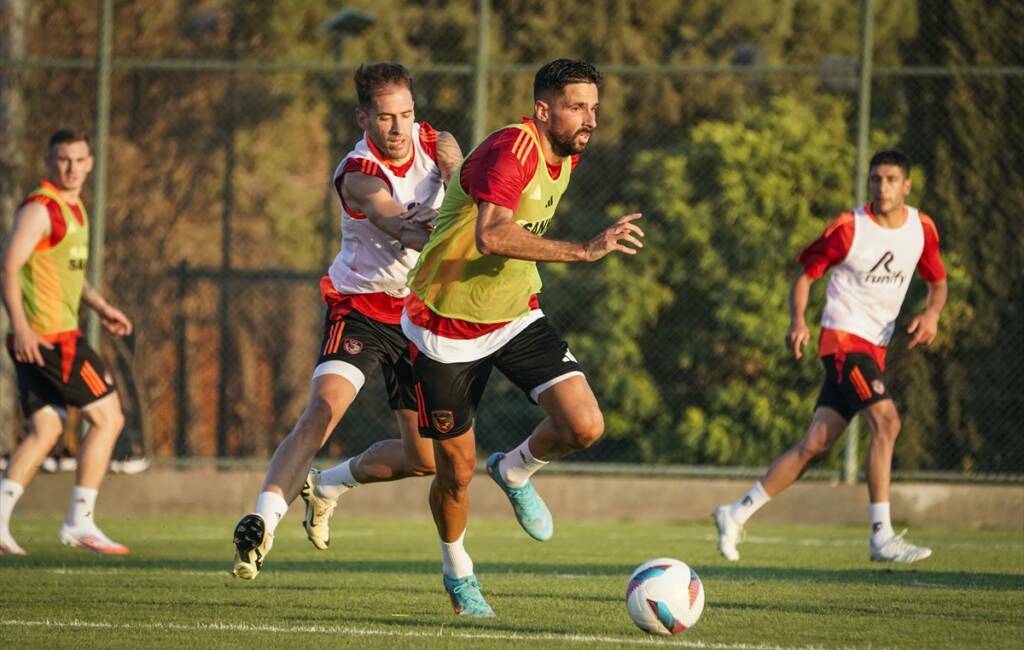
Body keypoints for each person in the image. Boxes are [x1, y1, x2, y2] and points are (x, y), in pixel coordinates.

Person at [402, 59, 644, 616]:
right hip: (445, 328)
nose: (590, 119)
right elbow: (491, 235)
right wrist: (583, 251)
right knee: (454, 476)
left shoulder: (569, 151)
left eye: (594, 108)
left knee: (584, 425)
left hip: (514, 313)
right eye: (577, 107)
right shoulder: (514, 148)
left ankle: (514, 469)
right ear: (543, 110)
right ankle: (458, 571)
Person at [231, 63, 463, 579]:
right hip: (361, 307)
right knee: (322, 411)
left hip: (419, 313)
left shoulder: (436, 142)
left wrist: (458, 173)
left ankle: (327, 484)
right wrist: (455, 220)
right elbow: (402, 227)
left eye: (406, 114)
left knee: (424, 459)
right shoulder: (358, 173)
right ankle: (262, 522)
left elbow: (466, 188)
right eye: (385, 118)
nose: (399, 129)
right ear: (363, 117)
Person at [713, 150, 947, 564]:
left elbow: (938, 281)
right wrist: (798, 320)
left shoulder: (921, 228)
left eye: (892, 179)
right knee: (887, 423)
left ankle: (736, 512)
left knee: (816, 445)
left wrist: (932, 313)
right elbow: (805, 274)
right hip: (843, 341)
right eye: (876, 179)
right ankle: (881, 535)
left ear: (907, 185)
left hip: (875, 347)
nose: (883, 187)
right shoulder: (848, 227)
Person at [0, 129, 134, 556]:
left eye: (79, 160)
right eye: (62, 160)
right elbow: (8, 267)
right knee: (109, 418)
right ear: (48, 161)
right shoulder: (40, 209)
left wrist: (99, 306)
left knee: (47, 428)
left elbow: (66, 276)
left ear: (91, 163)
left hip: (50, 336)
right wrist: (20, 326)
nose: (71, 168)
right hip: (52, 340)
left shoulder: (73, 208)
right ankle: (80, 521)